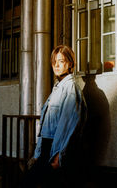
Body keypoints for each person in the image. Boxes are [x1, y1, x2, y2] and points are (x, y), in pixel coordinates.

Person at [21, 45, 87, 188]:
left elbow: (68, 125)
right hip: (46, 148)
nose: (56, 65)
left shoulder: (70, 89)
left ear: (70, 63)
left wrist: (59, 155)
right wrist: (38, 153)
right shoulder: (58, 88)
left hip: (54, 150)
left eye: (61, 61)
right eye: (54, 62)